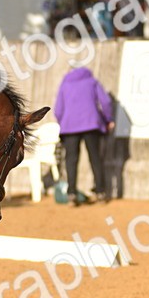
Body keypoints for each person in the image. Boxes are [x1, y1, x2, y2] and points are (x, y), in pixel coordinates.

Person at [53, 66, 114, 206]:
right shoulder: (91, 81)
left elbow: (58, 108)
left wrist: (63, 121)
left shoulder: (65, 82)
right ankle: (100, 192)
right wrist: (108, 119)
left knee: (71, 160)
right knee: (95, 158)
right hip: (91, 123)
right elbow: (105, 102)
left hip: (69, 126)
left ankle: (71, 194)